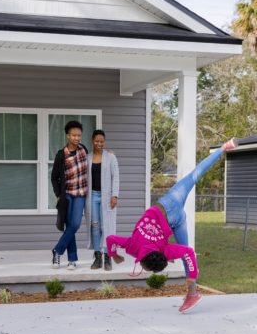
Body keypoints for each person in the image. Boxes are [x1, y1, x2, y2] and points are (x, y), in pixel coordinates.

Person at [106, 138, 238, 313]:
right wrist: (114, 254)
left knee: (185, 252)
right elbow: (110, 239)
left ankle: (192, 292)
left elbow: (189, 253)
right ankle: (223, 148)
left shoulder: (156, 251)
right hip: (169, 203)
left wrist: (191, 276)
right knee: (195, 174)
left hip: (173, 210)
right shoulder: (133, 247)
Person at [51, 120, 88, 270]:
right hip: (67, 194)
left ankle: (57, 250)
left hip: (80, 194)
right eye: (74, 135)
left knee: (75, 224)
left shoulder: (83, 150)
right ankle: (72, 259)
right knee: (69, 226)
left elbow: (93, 160)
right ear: (68, 136)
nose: (77, 138)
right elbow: (54, 177)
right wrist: (58, 194)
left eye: (79, 135)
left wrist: (107, 154)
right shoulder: (61, 155)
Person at [85, 130, 119, 271]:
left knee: (107, 226)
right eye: (97, 141)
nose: (99, 143)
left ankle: (107, 256)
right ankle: (98, 256)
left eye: (101, 141)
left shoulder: (110, 157)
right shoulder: (87, 158)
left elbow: (115, 176)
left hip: (107, 197)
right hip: (92, 196)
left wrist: (115, 195)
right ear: (92, 141)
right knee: (95, 226)